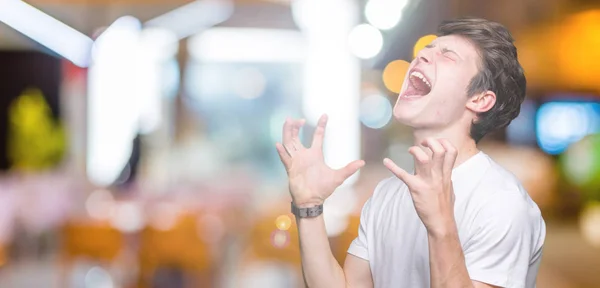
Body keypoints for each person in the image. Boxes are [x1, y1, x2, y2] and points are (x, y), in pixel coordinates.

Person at [275, 17, 546, 288]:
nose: (423, 56)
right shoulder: (386, 194)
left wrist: (441, 226)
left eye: (447, 56)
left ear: (480, 99)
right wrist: (308, 204)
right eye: (426, 49)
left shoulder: (502, 203)